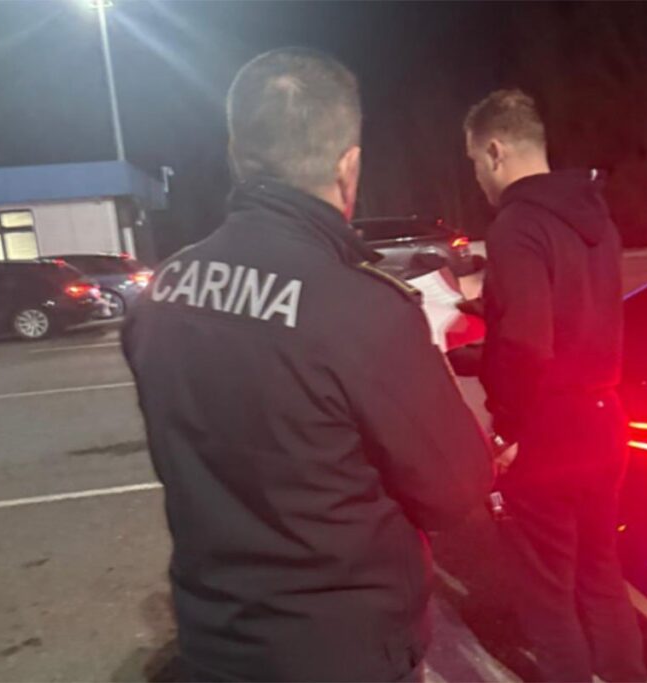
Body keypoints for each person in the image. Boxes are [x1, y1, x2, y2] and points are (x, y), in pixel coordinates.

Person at [121, 47, 493, 682]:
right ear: (349, 166)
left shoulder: (162, 293)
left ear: (237, 153)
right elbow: (456, 492)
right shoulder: (362, 310)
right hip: (342, 652)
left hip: (214, 643)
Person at [462, 89, 647, 682]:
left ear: (496, 151)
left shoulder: (517, 226)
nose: (477, 178)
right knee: (601, 578)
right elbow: (573, 320)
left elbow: (526, 344)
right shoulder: (597, 220)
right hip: (604, 417)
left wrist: (508, 428)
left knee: (548, 597)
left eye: (475, 161)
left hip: (548, 432)